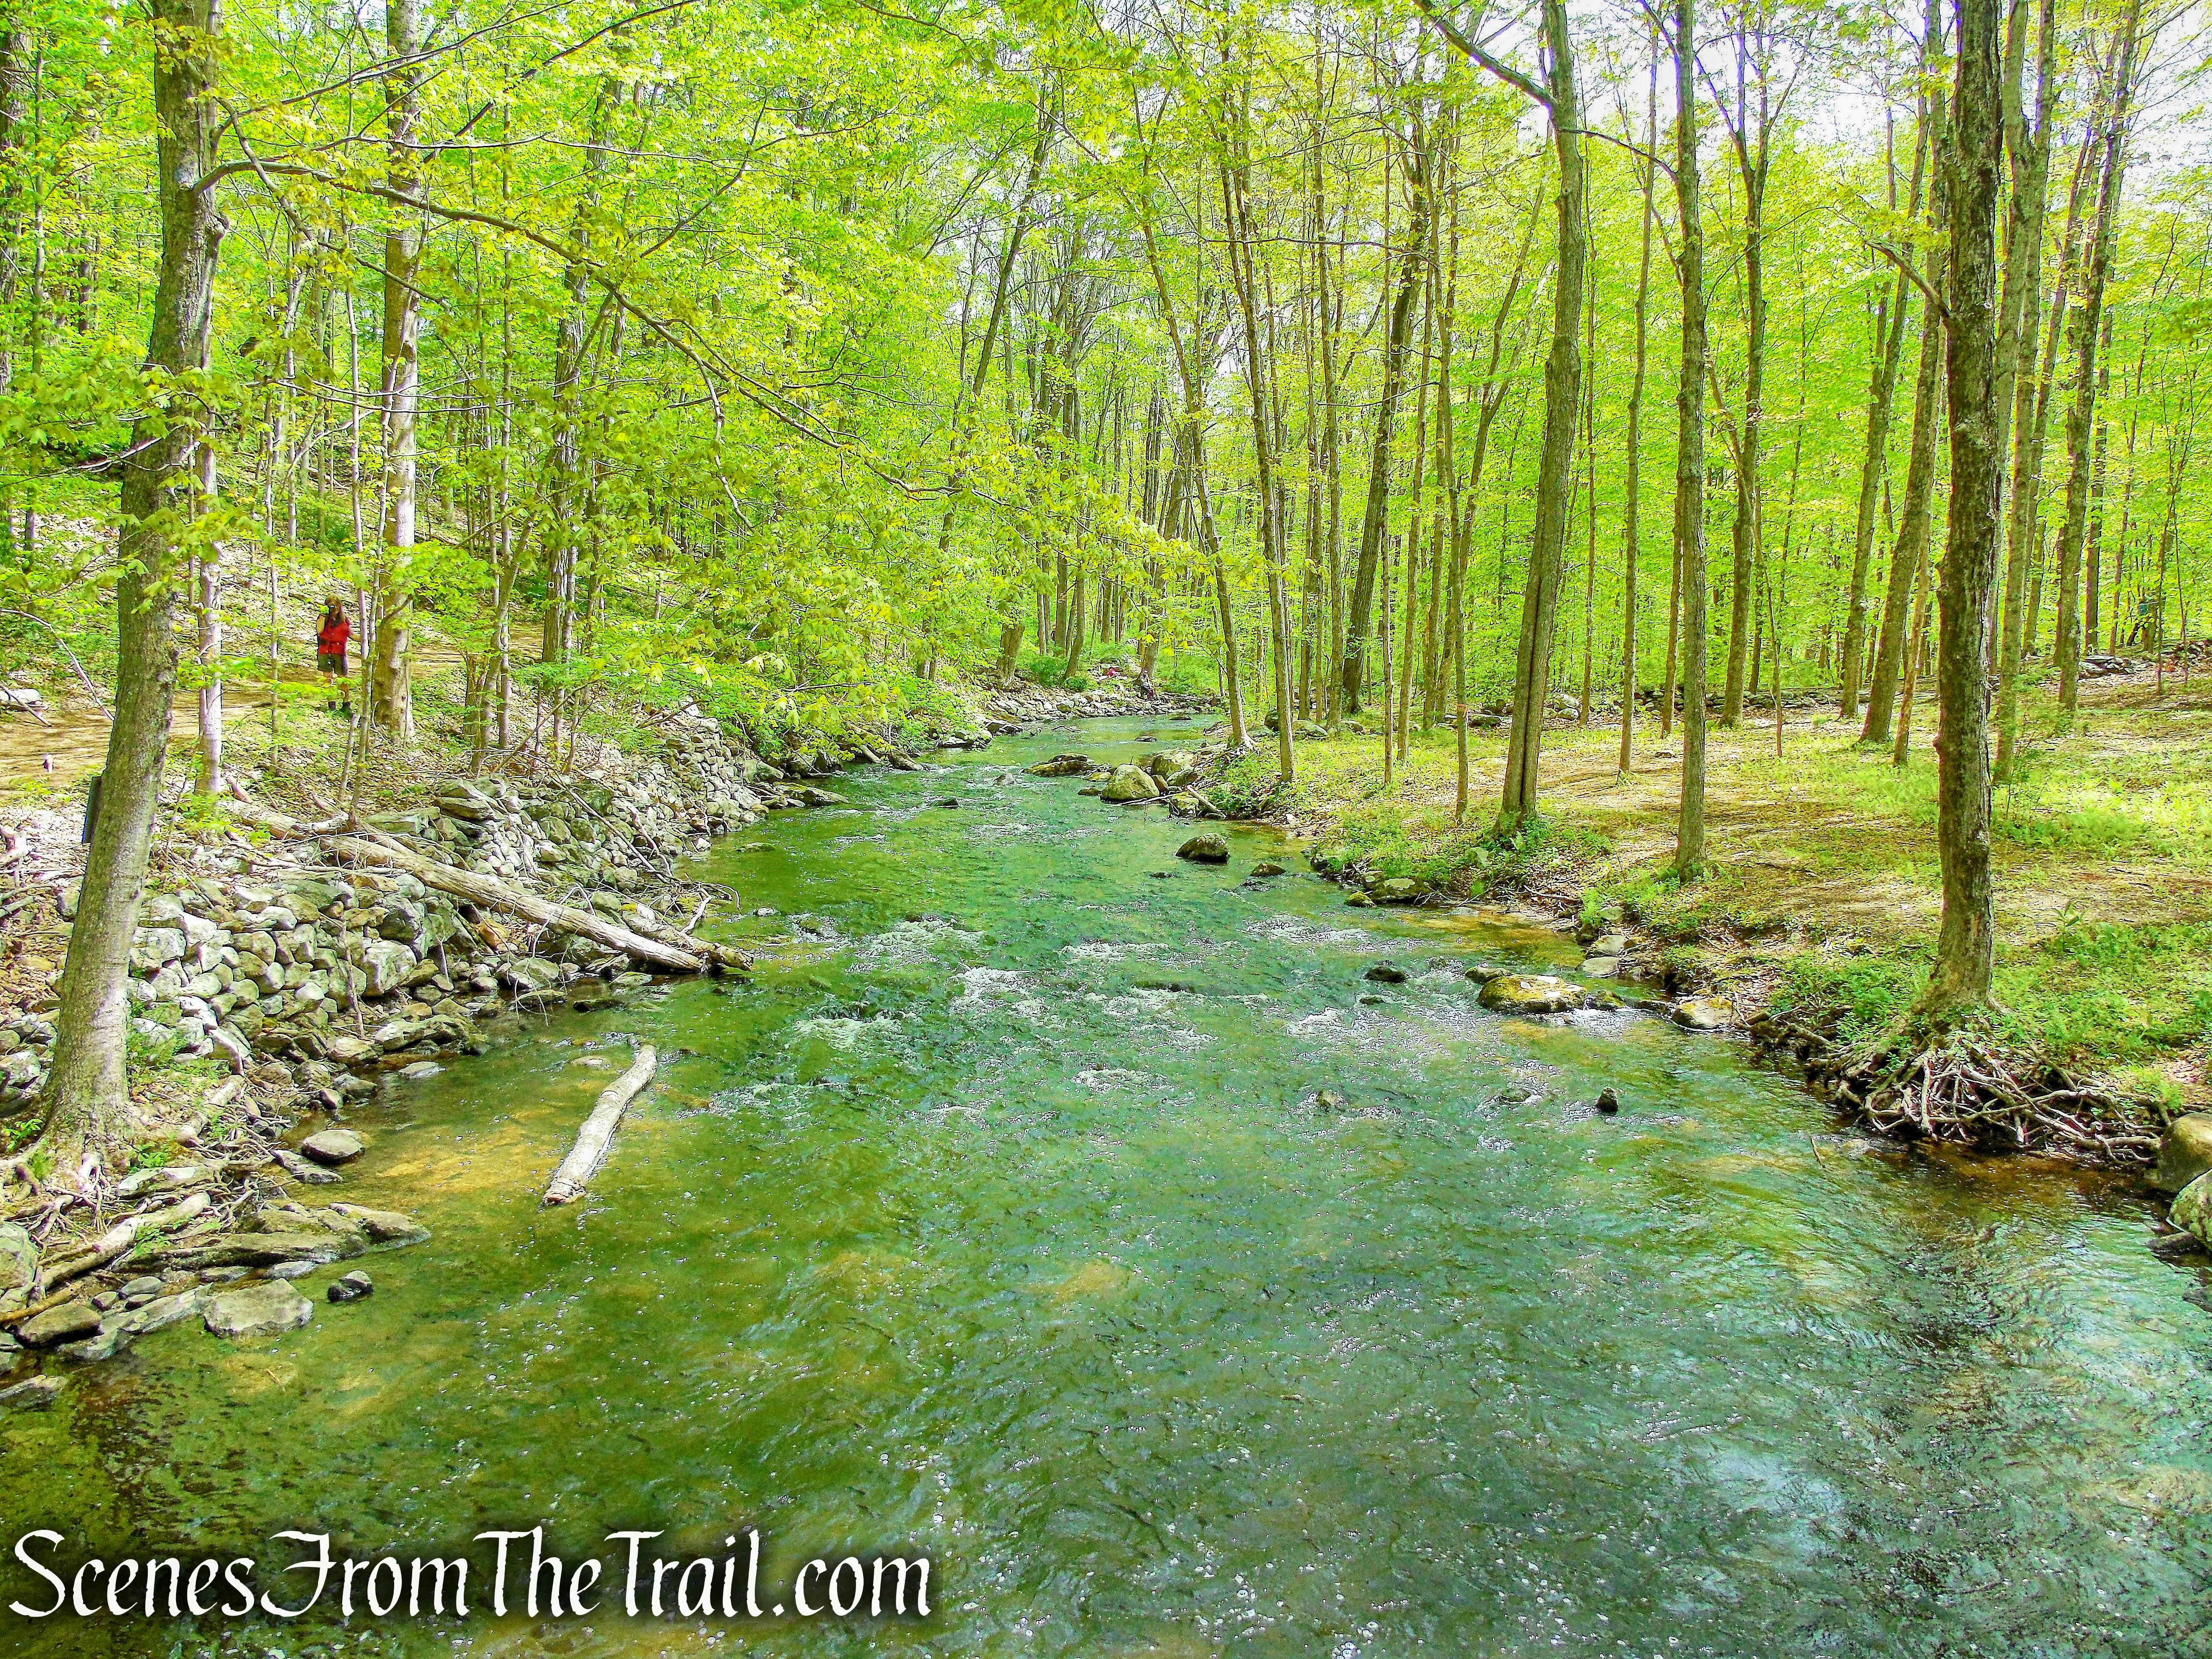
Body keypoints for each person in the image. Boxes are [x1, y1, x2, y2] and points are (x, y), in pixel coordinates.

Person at [317, 598, 352, 715]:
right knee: (328, 679)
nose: (334, 608)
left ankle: (346, 704)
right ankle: (331, 706)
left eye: (336, 605)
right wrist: (324, 614)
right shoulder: (323, 619)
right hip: (325, 651)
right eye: (331, 605)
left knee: (343, 679)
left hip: (339, 652)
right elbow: (319, 630)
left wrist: (366, 638)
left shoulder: (344, 620)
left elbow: (351, 634)